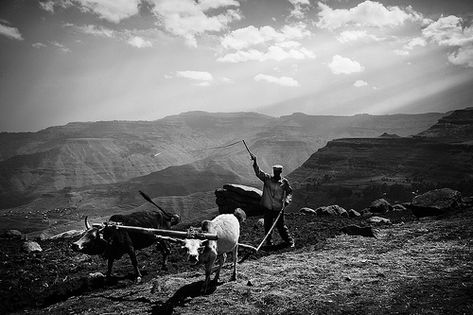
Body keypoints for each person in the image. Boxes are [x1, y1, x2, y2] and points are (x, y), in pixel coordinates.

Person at [250, 153, 295, 248]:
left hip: (278, 208)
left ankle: (290, 241)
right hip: (268, 207)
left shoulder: (284, 182)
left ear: (280, 172)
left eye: (278, 172)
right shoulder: (267, 179)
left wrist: (287, 200)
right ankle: (269, 243)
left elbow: (289, 192)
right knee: (267, 225)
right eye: (275, 172)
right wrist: (255, 162)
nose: (276, 173)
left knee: (281, 226)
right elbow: (259, 173)